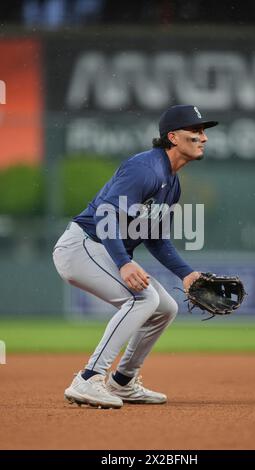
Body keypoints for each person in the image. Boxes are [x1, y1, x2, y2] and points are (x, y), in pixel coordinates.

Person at [53, 104, 218, 409]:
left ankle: (123, 382)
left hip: (102, 249)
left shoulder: (172, 185)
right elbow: (106, 216)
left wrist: (186, 273)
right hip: (83, 245)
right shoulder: (145, 168)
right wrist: (123, 262)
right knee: (143, 299)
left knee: (165, 307)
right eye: (195, 131)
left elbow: (154, 237)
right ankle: (89, 378)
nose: (203, 137)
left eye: (203, 131)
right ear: (173, 136)